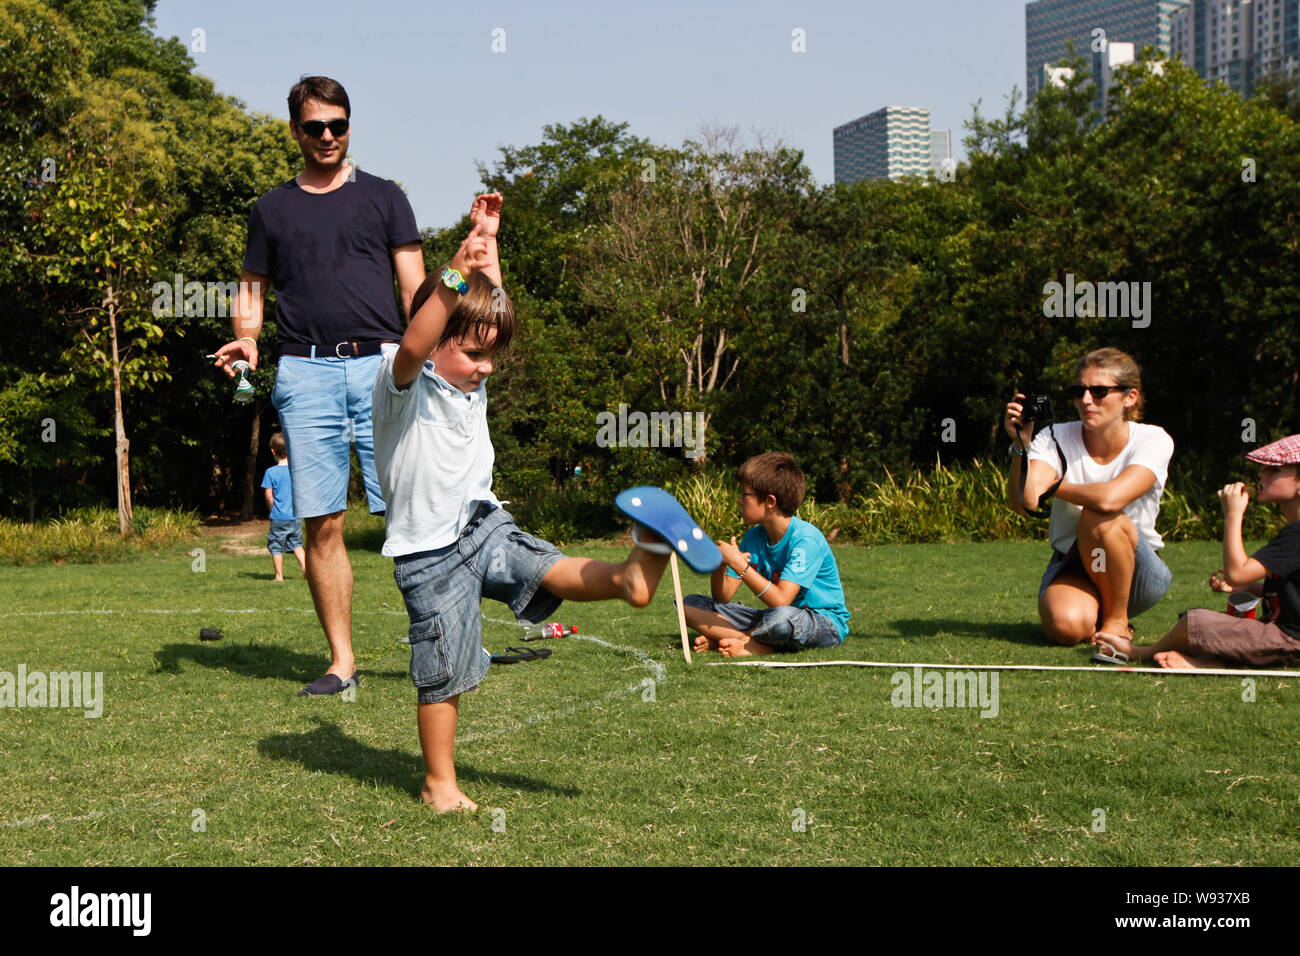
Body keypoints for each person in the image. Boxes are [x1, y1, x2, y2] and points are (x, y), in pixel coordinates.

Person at [372, 197, 678, 812]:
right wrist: (458, 267)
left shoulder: (466, 380)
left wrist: (487, 243)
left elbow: (494, 305)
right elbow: (417, 334)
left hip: (484, 525)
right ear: (438, 344)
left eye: (491, 356)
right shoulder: (401, 382)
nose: (485, 368)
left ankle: (630, 578)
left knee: (545, 563)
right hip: (429, 556)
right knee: (444, 669)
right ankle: (440, 782)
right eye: (473, 355)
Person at [213, 76, 425, 696]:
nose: (328, 136)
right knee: (322, 524)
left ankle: (442, 637)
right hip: (303, 371)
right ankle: (342, 664)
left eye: (338, 124)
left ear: (350, 125)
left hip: (382, 365)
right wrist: (249, 338)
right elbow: (252, 288)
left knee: (414, 512)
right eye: (315, 127)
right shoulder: (271, 208)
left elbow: (413, 288)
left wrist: (433, 346)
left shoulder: (386, 197)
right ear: (295, 132)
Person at [1005, 347, 1174, 646]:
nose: (1086, 400)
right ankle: (1093, 612)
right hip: (1076, 564)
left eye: (1098, 391)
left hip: (1137, 572)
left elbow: (1110, 499)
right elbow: (1025, 503)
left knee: (1098, 514)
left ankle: (1117, 621)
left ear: (1129, 398)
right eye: (1078, 391)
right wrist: (1022, 446)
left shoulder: (1154, 439)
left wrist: (1053, 486)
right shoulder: (1054, 436)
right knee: (1065, 627)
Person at [1091, 436, 1300, 669]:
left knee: (1195, 623)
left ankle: (1139, 652)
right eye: (1263, 468)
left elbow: (1237, 572)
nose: (1261, 474)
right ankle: (1209, 663)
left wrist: (1233, 515)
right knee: (1208, 624)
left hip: (1289, 641)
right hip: (1284, 637)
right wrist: (1251, 589)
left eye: (1274, 469)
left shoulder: (1297, 534)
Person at [681, 452, 850, 657]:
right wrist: (721, 564)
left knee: (781, 619)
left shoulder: (806, 540)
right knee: (689, 605)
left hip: (821, 622)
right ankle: (746, 641)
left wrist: (738, 562)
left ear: (770, 501)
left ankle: (743, 642)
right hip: (773, 617)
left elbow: (781, 601)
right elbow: (722, 596)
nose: (739, 500)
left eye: (745, 494)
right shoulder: (754, 537)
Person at [261, 432, 306, 581]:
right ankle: (306, 569)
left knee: (276, 545)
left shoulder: (270, 472)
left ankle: (279, 575)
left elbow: (268, 495)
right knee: (297, 544)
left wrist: (272, 509)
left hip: (279, 517)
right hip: (296, 516)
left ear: (273, 451)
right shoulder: (295, 471)